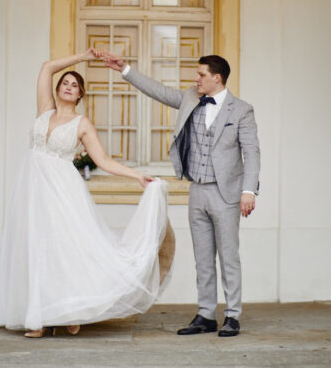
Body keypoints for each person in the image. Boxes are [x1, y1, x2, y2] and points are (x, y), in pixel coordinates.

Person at [0, 49, 171, 337]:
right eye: (65, 83)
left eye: (74, 85)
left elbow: (103, 161)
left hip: (61, 190)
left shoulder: (82, 124)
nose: (69, 87)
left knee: (62, 248)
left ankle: (67, 311)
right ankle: (42, 315)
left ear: (80, 93)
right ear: (58, 90)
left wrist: (137, 176)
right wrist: (82, 57)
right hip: (32, 190)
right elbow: (47, 67)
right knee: (35, 247)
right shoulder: (45, 110)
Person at [102, 52, 260, 337]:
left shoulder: (241, 110)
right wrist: (124, 69)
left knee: (228, 256)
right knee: (202, 257)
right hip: (197, 189)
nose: (195, 79)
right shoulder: (190, 97)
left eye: (201, 75)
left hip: (226, 193)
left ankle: (233, 315)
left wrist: (249, 191)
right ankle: (206, 314)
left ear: (217, 78)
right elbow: (159, 92)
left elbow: (252, 152)